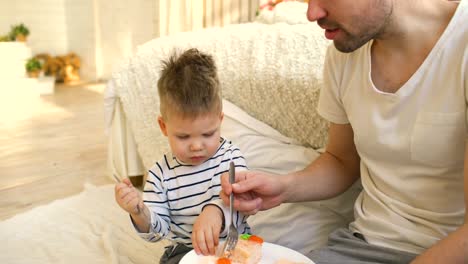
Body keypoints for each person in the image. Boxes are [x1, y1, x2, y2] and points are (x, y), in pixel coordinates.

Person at [220, 0, 468, 263]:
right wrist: (282, 187)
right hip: (361, 246)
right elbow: (341, 160)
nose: (312, 13)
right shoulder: (345, 55)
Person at [114, 48, 250, 264]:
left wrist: (215, 211)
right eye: (183, 136)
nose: (197, 146)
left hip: (236, 244)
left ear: (220, 120)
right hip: (186, 250)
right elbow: (158, 232)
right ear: (164, 126)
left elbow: (242, 204)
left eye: (208, 134)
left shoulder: (231, 157)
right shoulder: (160, 175)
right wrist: (139, 212)